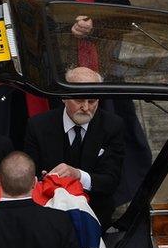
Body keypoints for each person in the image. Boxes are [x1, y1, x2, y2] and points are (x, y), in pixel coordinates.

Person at [0, 0, 150, 204]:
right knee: (36, 134)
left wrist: (94, 22)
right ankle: (34, 197)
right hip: (32, 77)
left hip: (85, 69)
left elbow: (122, 14)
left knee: (89, 136)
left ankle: (94, 199)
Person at [24, 67, 124, 225]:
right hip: (49, 214)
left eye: (92, 101)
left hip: (94, 215)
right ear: (63, 97)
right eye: (79, 100)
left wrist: (78, 175)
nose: (86, 107)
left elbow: (111, 181)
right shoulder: (38, 126)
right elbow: (30, 176)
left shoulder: (112, 126)